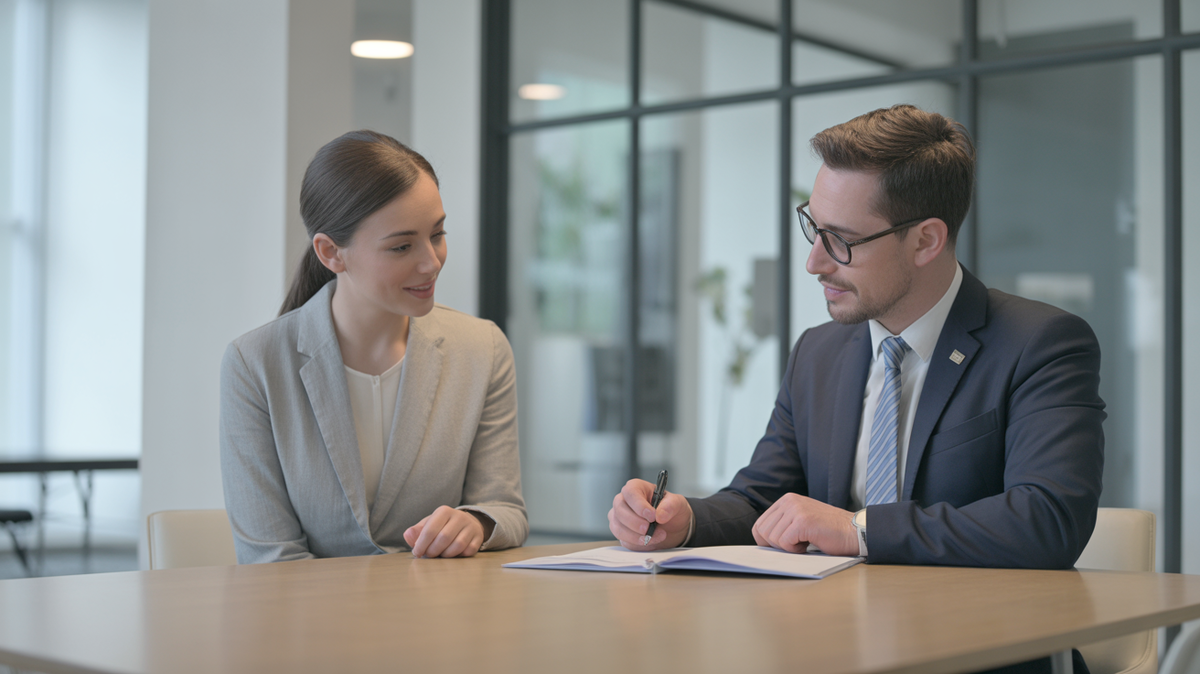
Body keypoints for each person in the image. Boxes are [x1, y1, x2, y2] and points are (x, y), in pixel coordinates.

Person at [610, 105, 1104, 672]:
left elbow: (1047, 520)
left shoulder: (1040, 343)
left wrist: (858, 529)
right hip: (829, 648)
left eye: (841, 240)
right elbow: (762, 500)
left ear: (925, 241)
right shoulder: (819, 352)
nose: (814, 262)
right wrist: (683, 519)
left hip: (983, 656)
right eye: (813, 228)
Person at [220, 130, 527, 563]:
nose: (431, 261)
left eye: (437, 234)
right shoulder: (254, 364)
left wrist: (475, 522)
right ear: (331, 253)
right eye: (401, 246)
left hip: (445, 617)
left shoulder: (483, 349)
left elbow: (506, 510)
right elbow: (270, 557)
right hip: (311, 624)